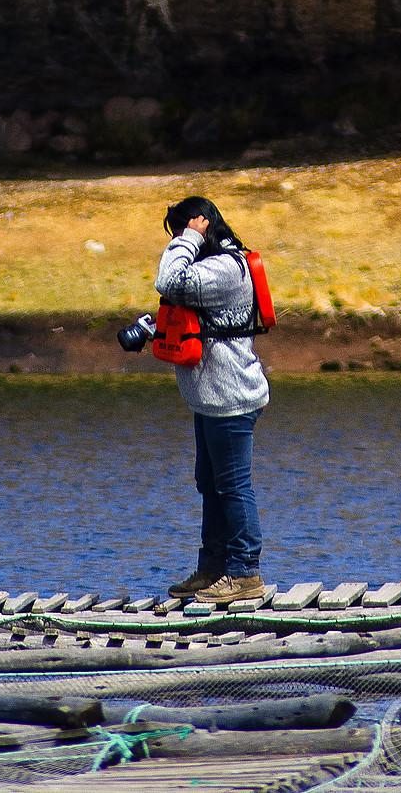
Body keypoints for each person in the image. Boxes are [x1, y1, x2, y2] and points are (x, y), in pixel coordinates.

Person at [154, 196, 271, 605]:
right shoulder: (212, 267)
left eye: (181, 230)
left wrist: (189, 237)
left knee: (233, 486)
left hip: (231, 398)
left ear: (201, 225)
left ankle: (245, 573)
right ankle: (213, 568)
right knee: (211, 483)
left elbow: (168, 281)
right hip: (211, 399)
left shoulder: (225, 268)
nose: (178, 240)